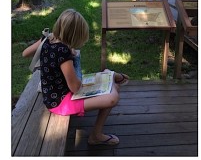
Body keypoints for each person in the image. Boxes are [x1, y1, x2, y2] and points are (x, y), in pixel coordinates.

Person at [22, 9, 129, 146]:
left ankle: (110, 75)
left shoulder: (47, 38)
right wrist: (72, 58)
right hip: (61, 103)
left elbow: (25, 53)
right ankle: (96, 135)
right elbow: (75, 87)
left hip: (53, 95)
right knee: (113, 96)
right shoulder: (63, 53)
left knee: (109, 85)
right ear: (75, 36)